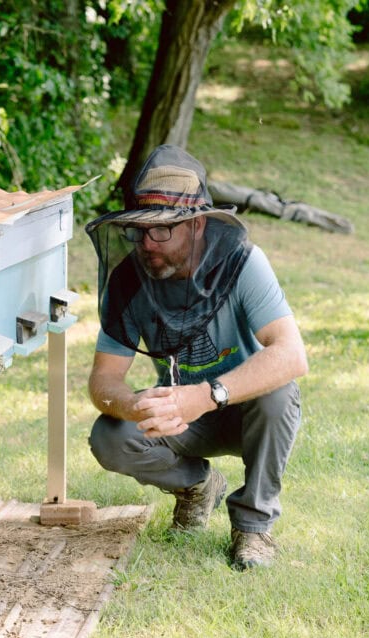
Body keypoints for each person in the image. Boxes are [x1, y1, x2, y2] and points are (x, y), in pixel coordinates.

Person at [85, 144, 308, 570]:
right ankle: (198, 486)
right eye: (140, 229)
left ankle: (254, 528)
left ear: (198, 224)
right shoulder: (128, 279)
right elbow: (103, 379)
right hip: (182, 419)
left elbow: (292, 354)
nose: (148, 243)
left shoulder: (243, 263)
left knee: (278, 392)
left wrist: (207, 395)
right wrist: (132, 406)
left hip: (249, 413)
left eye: (163, 230)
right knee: (109, 435)